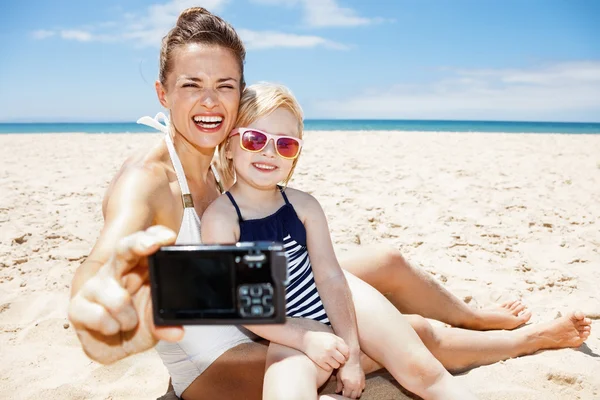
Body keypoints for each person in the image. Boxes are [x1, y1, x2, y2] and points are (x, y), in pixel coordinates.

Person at [67, 7, 592, 400]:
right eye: (191, 86)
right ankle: (530, 340)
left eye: (224, 85)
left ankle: (479, 317)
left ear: (240, 92)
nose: (209, 101)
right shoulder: (148, 180)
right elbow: (108, 255)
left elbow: (262, 264)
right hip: (218, 357)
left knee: (385, 262)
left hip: (251, 296)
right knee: (403, 335)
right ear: (163, 93)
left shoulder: (227, 150)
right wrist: (101, 287)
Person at [201, 81, 478, 399]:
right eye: (254, 139)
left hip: (344, 305)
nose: (269, 152)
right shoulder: (222, 219)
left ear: (295, 155)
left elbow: (331, 278)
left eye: (285, 145)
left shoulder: (304, 206)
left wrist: (353, 353)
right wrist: (304, 339)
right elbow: (237, 306)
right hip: (288, 327)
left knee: (424, 373)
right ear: (230, 145)